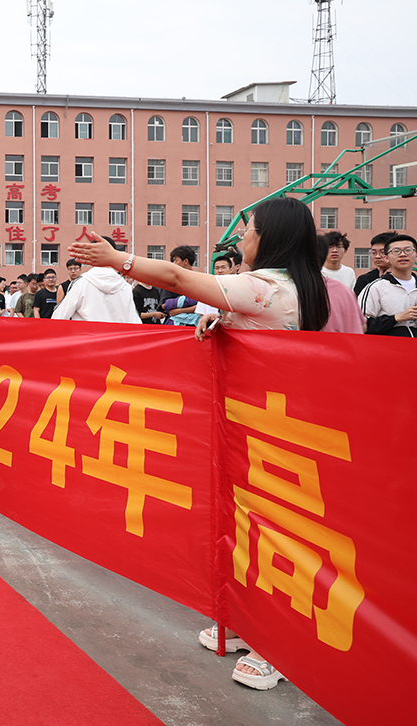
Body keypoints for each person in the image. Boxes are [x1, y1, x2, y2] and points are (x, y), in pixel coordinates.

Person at [70, 195, 330, 692]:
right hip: (250, 427)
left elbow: (177, 280)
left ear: (271, 237)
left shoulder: (271, 285)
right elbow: (235, 316)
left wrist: (119, 260)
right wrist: (219, 320)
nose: (243, 238)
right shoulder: (290, 287)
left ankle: (278, 646)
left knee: (273, 535)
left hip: (274, 433)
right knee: (240, 527)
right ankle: (241, 621)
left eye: (249, 229)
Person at [51, 238, 140, 323]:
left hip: (87, 337)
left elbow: (59, 317)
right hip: (118, 337)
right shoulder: (125, 287)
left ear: (90, 255)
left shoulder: (81, 283)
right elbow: (135, 322)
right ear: (115, 254)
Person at [359, 233, 417, 337]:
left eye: (408, 250)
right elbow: (360, 325)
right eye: (396, 251)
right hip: (388, 348)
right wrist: (396, 318)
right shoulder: (375, 287)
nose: (403, 254)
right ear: (386, 258)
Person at [195, 251, 241, 318]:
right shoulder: (206, 289)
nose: (220, 271)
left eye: (223, 267)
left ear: (231, 269)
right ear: (214, 271)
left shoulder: (238, 288)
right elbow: (202, 315)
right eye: (217, 268)